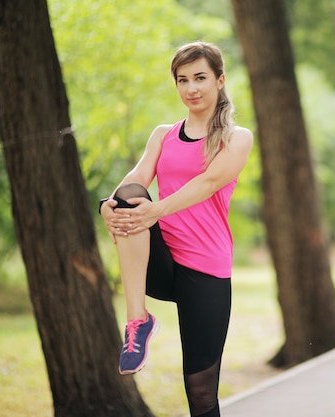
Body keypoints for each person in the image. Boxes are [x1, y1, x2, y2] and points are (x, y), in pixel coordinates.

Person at [100, 41, 253, 417]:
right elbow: (136, 179)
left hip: (207, 270)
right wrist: (107, 206)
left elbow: (207, 183)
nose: (192, 88)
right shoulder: (163, 135)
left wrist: (155, 211)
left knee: (200, 392)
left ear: (220, 80)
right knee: (127, 196)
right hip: (162, 262)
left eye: (200, 78)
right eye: (182, 80)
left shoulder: (237, 138)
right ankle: (137, 321)